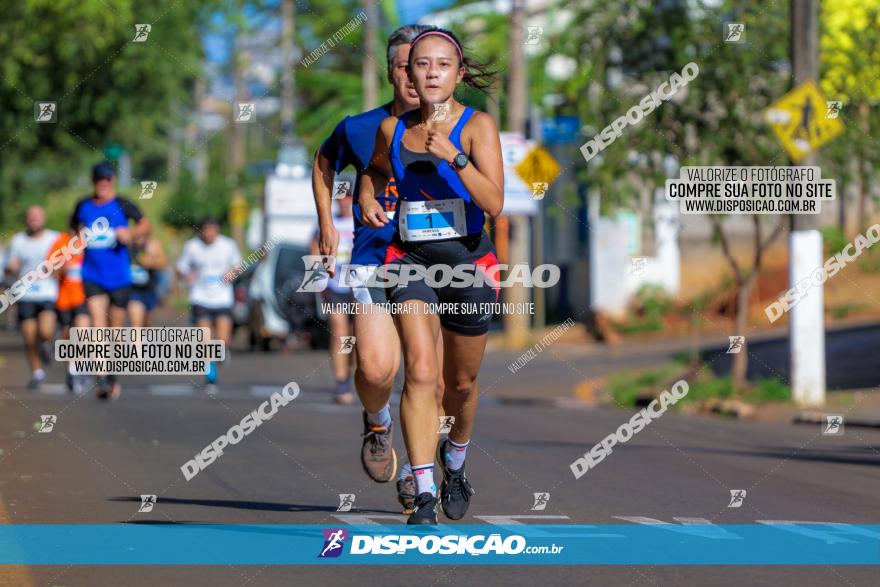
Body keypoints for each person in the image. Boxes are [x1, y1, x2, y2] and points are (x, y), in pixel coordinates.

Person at [360, 27, 503, 524]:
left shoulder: (477, 126)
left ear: (459, 74)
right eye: (422, 64)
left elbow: (494, 203)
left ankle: (456, 462)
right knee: (420, 372)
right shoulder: (392, 130)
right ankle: (422, 492)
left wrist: (455, 157)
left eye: (443, 64)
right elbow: (375, 170)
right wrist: (366, 193)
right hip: (410, 260)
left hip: (468, 263)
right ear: (410, 73)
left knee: (459, 383)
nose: (432, 72)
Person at [312, 24, 446, 514]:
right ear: (392, 72)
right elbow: (323, 162)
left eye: (425, 65)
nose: (416, 75)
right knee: (374, 367)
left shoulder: (455, 126)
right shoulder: (359, 126)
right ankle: (376, 420)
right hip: (373, 261)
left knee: (427, 374)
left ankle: (416, 473)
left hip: (435, 266)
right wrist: (327, 222)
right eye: (406, 66)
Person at [70, 161, 151, 399]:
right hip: (92, 273)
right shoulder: (83, 205)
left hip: (119, 276)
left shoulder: (123, 204)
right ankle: (101, 376)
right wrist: (80, 238)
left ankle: (112, 372)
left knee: (115, 328)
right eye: (98, 180)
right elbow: (74, 225)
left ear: (112, 181)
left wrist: (132, 233)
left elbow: (145, 224)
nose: (102, 184)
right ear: (93, 182)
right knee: (97, 324)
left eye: (106, 180)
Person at [176, 217, 241, 393]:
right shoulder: (192, 246)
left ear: (218, 230)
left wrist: (232, 273)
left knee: (222, 340)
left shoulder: (228, 245)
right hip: (200, 297)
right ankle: (211, 378)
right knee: (205, 341)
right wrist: (186, 275)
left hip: (222, 298)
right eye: (206, 230)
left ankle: (223, 351)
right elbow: (181, 267)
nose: (209, 234)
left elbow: (238, 266)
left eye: (213, 230)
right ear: (201, 231)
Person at [2, 206, 59, 390]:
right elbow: (8, 267)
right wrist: (11, 267)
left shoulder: (54, 238)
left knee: (46, 331)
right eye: (31, 216)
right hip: (26, 295)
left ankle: (47, 344)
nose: (34, 219)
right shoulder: (18, 241)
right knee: (28, 337)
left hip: (48, 293)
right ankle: (37, 373)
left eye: (37, 216)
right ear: (26, 220)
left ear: (43, 218)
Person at [309, 191, 356, 405]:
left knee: (357, 339)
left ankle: (351, 371)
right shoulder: (328, 223)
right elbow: (314, 251)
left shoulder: (361, 219)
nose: (344, 202)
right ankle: (341, 382)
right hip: (335, 287)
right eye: (340, 198)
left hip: (360, 287)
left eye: (348, 197)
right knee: (339, 333)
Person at [47, 226, 90, 393]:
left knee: (81, 332)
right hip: (64, 299)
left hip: (85, 296)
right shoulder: (62, 241)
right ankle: (71, 370)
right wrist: (61, 268)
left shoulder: (91, 243)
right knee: (66, 335)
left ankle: (82, 368)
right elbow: (50, 269)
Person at [128, 233, 167, 328]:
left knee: (146, 322)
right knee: (136, 323)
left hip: (150, 289)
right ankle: (137, 342)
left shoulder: (153, 245)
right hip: (133, 290)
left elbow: (163, 263)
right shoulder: (128, 245)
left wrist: (151, 260)